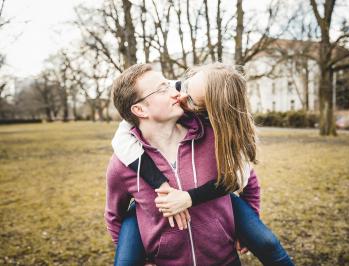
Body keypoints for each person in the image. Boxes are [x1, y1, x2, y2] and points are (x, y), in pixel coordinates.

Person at [108, 63, 294, 265]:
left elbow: (247, 180)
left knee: (270, 245)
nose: (176, 93)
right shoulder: (122, 163)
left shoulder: (214, 137)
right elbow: (114, 217)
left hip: (225, 260)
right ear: (139, 109)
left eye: (170, 85)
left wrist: (246, 228)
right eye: (163, 88)